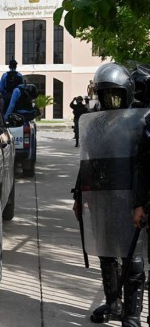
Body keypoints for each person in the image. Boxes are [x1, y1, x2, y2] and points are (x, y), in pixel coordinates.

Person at [72, 63, 145, 326]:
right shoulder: (96, 123)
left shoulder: (139, 122)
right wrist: (79, 195)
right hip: (103, 197)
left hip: (130, 197)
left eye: (115, 94)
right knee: (106, 252)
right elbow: (87, 161)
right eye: (106, 95)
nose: (110, 101)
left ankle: (132, 315)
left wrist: (141, 202)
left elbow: (143, 165)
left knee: (132, 257)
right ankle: (114, 302)